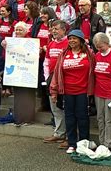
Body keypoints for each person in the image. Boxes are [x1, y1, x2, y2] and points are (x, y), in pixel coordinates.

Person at [50, 29, 96, 154]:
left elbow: (96, 68)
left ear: (81, 40)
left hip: (83, 91)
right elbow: (56, 73)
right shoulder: (64, 54)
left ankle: (83, 143)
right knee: (69, 118)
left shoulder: (89, 54)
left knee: (82, 118)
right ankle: (72, 143)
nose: (71, 41)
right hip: (67, 92)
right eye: (69, 38)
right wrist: (54, 91)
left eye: (74, 38)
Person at [42, 20, 69, 148]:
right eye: (52, 29)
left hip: (65, 79)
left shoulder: (69, 43)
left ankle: (69, 135)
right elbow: (46, 62)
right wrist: (48, 78)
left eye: (56, 29)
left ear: (64, 30)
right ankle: (59, 133)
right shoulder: (51, 43)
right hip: (52, 79)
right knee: (55, 108)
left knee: (66, 108)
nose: (54, 31)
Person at [92, 32, 111, 150]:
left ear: (107, 43)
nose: (99, 49)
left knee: (110, 119)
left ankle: (109, 143)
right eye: (97, 47)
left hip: (109, 92)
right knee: (100, 118)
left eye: (101, 46)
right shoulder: (97, 55)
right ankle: (102, 142)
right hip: (98, 91)